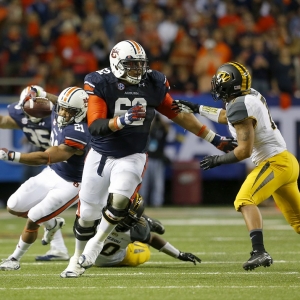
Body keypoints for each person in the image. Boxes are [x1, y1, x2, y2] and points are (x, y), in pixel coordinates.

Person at [61, 39, 237, 277]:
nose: (138, 70)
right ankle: (75, 258)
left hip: (133, 154)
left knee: (121, 201)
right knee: (87, 214)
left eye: (140, 65)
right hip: (101, 153)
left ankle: (96, 244)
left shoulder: (152, 82)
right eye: (132, 65)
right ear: (116, 63)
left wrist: (214, 139)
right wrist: (122, 120)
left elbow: (176, 113)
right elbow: (95, 126)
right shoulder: (100, 82)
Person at [173, 61, 300, 271]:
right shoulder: (247, 97)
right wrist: (197, 108)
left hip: (274, 163)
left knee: (244, 199)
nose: (215, 85)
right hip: (286, 161)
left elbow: (244, 151)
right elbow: (227, 117)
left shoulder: (240, 105)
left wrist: (217, 160)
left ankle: (259, 252)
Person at [0, 86, 90, 271]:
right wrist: (42, 94)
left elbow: (44, 157)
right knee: (14, 205)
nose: (63, 113)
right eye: (61, 108)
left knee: (34, 216)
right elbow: (60, 102)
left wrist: (12, 156)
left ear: (80, 112)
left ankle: (14, 259)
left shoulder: (79, 132)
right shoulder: (59, 109)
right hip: (52, 172)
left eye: (69, 110)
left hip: (72, 182)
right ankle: (52, 223)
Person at [61, 194, 200, 277]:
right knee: (145, 246)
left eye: (133, 218)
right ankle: (149, 222)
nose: (129, 221)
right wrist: (179, 254)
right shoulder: (135, 230)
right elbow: (153, 239)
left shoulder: (97, 217)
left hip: (89, 257)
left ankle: (148, 221)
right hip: (121, 258)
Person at [138, 113, 169, 207]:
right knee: (144, 183)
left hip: (158, 159)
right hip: (147, 159)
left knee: (158, 184)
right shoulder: (148, 129)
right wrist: (152, 119)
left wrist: (160, 118)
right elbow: (147, 129)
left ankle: (157, 203)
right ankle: (142, 203)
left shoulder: (161, 129)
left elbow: (168, 130)